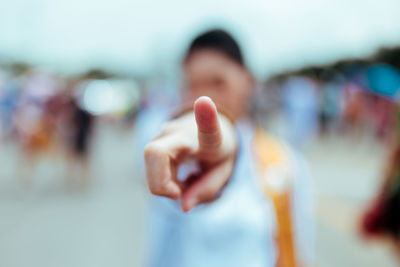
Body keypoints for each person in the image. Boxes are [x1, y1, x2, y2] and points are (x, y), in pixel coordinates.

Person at [135, 29, 314, 267]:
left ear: (248, 81)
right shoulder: (167, 149)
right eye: (191, 85)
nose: (203, 97)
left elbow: (296, 251)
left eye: (218, 82)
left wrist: (230, 144)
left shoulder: (285, 162)